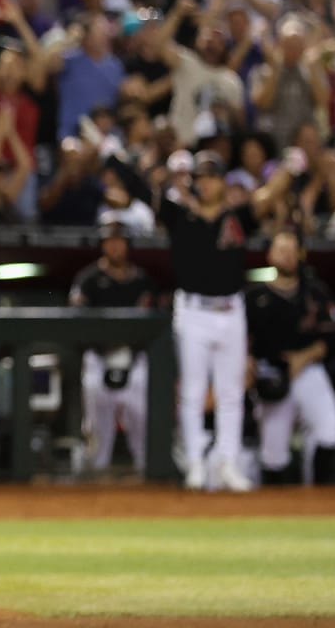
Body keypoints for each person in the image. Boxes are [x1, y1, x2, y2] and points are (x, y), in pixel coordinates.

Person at [111, 148, 292, 490]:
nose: (205, 183)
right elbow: (140, 190)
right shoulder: (180, 216)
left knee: (231, 392)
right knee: (193, 391)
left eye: (211, 177)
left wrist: (291, 166)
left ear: (223, 181)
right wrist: (113, 158)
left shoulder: (237, 218)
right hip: (193, 311)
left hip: (231, 309)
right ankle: (194, 462)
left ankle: (227, 463)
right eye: (200, 178)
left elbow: (269, 196)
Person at [246, 231, 335, 486]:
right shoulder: (254, 297)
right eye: (281, 250)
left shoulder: (316, 292)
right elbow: (243, 342)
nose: (287, 256)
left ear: (300, 255)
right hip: (272, 374)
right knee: (273, 455)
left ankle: (324, 498)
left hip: (308, 370)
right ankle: (277, 504)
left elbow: (333, 337)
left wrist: (303, 357)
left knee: (330, 430)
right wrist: (249, 363)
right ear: (270, 255)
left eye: (291, 250)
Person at [69, 222, 154, 474]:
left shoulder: (142, 280)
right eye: (110, 242)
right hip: (98, 355)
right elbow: (76, 317)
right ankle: (96, 471)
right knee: (97, 421)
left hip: (134, 355)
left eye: (120, 241)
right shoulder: (88, 279)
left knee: (140, 415)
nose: (115, 247)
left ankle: (147, 469)